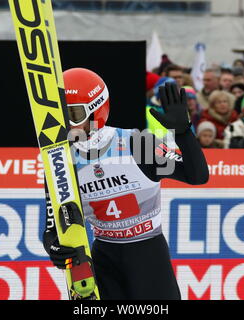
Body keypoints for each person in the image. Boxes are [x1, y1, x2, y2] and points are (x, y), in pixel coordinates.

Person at [42, 68, 209, 300]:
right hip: (104, 257)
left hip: (148, 256)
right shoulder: (62, 161)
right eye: (62, 115)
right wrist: (55, 249)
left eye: (75, 114)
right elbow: (52, 228)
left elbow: (197, 176)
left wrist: (183, 133)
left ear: (96, 111)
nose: (68, 124)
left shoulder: (137, 143)